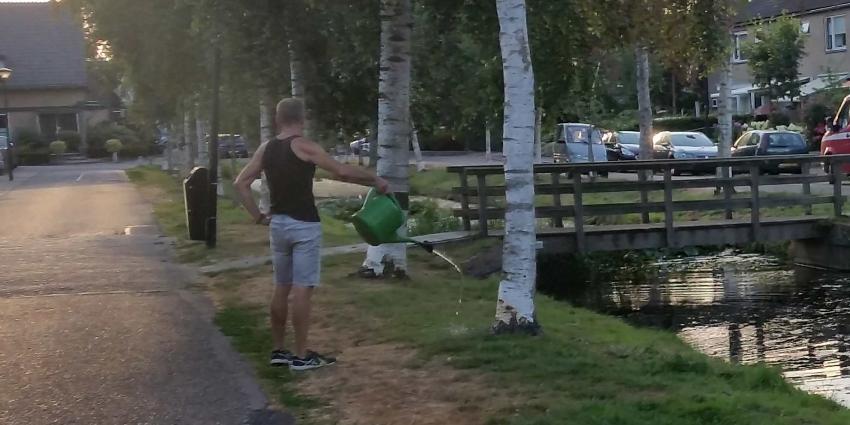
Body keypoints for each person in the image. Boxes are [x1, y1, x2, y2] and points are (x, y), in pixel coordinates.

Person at [234, 98, 389, 371]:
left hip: (278, 225)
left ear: (277, 119)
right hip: (304, 225)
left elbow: (241, 183)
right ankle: (302, 355)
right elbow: (340, 171)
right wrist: (374, 179)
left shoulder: (266, 148)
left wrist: (258, 216)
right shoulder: (304, 145)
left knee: (281, 286)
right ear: (301, 119)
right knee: (302, 289)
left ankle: (279, 350)